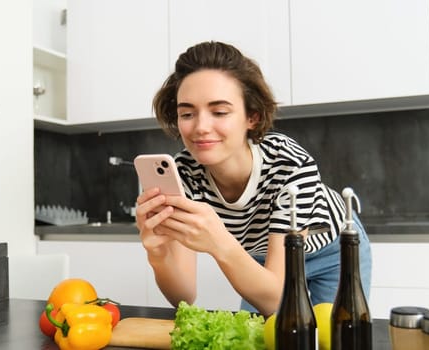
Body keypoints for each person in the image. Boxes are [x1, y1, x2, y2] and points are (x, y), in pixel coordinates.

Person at [136, 41, 371, 316]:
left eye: (220, 112)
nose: (200, 127)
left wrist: (218, 242)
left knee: (335, 338)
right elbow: (183, 296)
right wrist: (158, 254)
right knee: (260, 338)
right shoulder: (185, 174)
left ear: (252, 117)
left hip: (333, 251)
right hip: (263, 258)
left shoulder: (290, 165)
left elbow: (278, 303)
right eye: (187, 114)